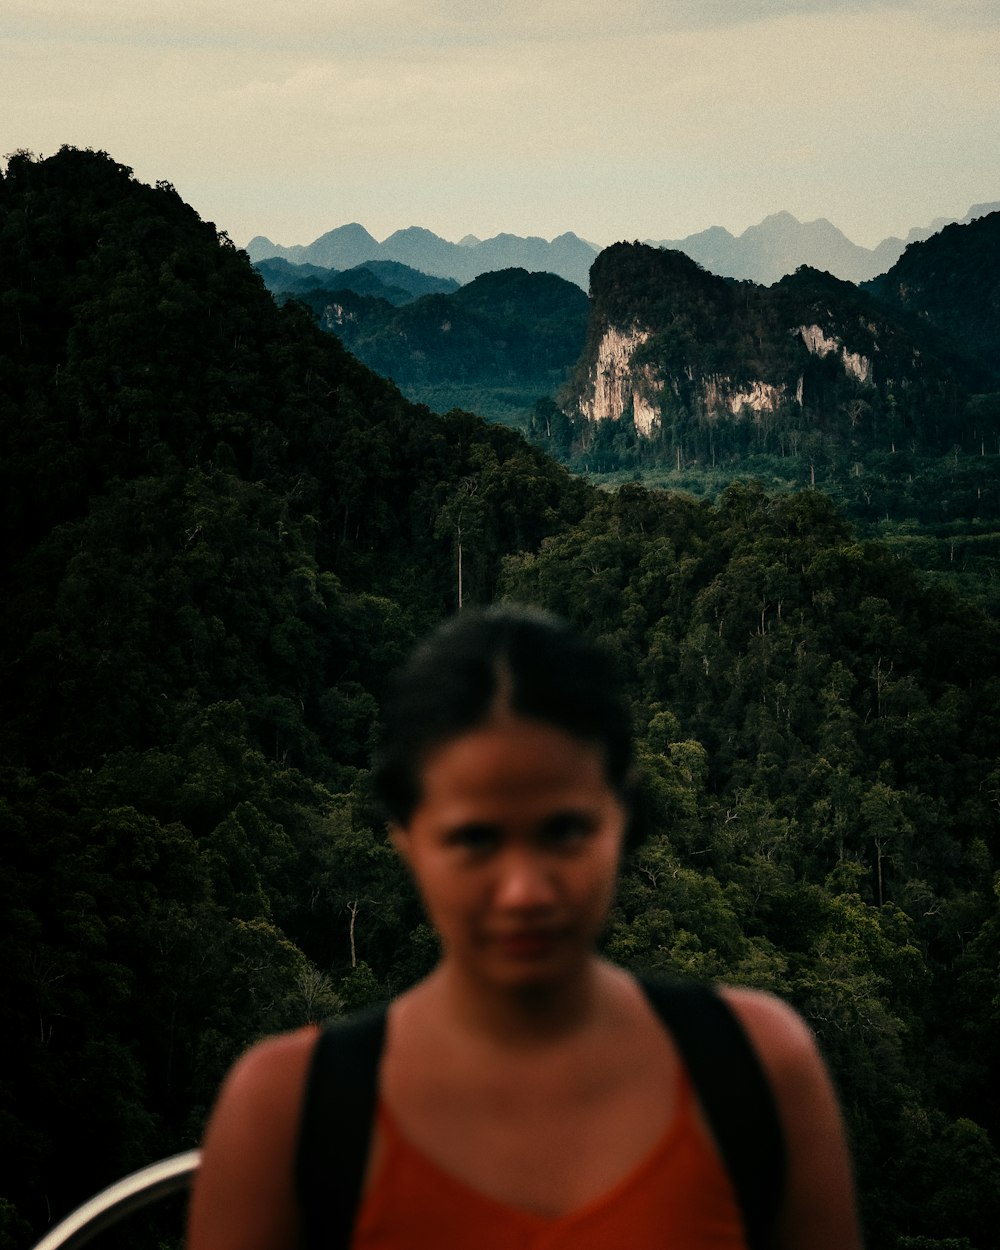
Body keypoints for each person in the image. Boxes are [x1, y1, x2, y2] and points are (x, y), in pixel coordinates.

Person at [187, 604, 862, 1250]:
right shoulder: (287, 1116)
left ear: (623, 820)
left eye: (564, 831)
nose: (524, 892)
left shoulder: (756, 1073)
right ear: (405, 840)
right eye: (476, 840)